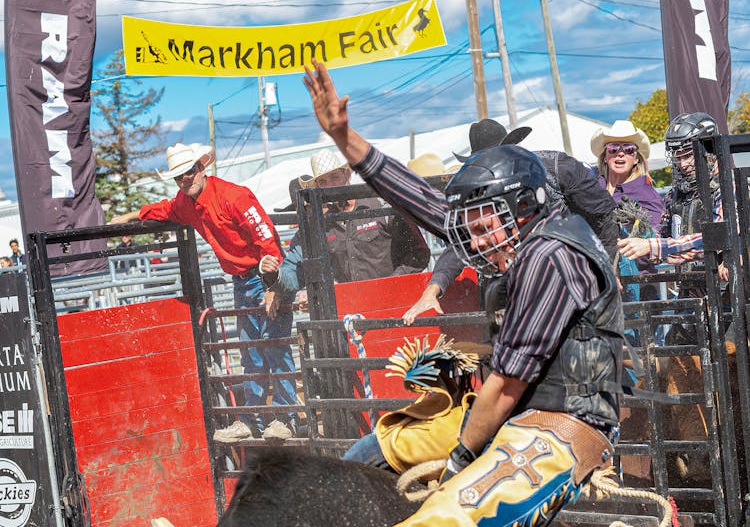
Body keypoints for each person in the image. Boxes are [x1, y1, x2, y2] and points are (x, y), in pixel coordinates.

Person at [269, 63, 622, 527]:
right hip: (522, 413)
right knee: (382, 445)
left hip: (561, 426)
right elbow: (429, 203)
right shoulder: (520, 233)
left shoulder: (554, 254)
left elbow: (504, 385)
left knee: (440, 524)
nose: (472, 234)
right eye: (473, 223)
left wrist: (460, 464)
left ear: (523, 207)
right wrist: (348, 143)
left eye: (485, 219)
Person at [113, 142, 299, 442]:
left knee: (274, 345)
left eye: (187, 172)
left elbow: (266, 237)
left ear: (201, 167)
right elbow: (164, 209)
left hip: (264, 274)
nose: (184, 180)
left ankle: (286, 418)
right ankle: (252, 420)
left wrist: (273, 285)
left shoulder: (233, 196)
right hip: (242, 280)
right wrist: (130, 216)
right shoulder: (187, 203)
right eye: (178, 177)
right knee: (251, 350)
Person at [402, 116, 619, 324]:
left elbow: (602, 214)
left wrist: (606, 267)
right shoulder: (481, 189)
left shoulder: (557, 167)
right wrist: (433, 288)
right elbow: (465, 241)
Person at [264, 148, 430, 318]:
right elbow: (302, 268)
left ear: (347, 175)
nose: (330, 186)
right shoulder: (322, 224)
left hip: (395, 303)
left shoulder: (382, 205)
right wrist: (275, 281)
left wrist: (391, 284)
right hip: (352, 310)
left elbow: (419, 253)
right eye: (323, 182)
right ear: (318, 187)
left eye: (334, 177)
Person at [618, 113, 723, 278]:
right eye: (677, 156)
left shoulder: (727, 187)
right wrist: (642, 231)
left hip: (726, 293)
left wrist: (653, 246)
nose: (683, 164)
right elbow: (665, 243)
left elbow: (716, 239)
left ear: (710, 149)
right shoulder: (674, 195)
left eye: (688, 155)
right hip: (689, 289)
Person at [590, 120, 664, 302]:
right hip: (596, 283)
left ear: (637, 158)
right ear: (605, 156)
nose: (620, 153)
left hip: (638, 284)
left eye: (629, 149)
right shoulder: (590, 188)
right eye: (613, 148)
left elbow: (652, 239)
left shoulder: (647, 194)